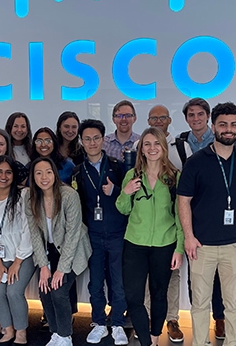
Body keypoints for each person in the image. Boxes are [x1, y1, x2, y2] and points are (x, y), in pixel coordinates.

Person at [177, 102, 236, 346]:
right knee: (200, 304)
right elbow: (183, 200)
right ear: (213, 126)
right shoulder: (196, 161)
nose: (228, 129)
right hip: (201, 244)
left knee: (235, 304)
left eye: (234, 124)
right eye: (223, 124)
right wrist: (189, 236)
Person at [117, 127, 184, 346]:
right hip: (135, 244)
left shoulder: (174, 177)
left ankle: (154, 339)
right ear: (141, 149)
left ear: (164, 147)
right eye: (147, 144)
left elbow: (181, 216)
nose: (152, 148)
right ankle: (146, 342)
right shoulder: (132, 175)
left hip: (164, 245)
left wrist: (179, 248)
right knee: (134, 298)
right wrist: (126, 193)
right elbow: (123, 209)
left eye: (157, 143)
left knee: (158, 295)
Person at [136, 105, 192, 343]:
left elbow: (185, 193)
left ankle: (171, 318)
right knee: (149, 277)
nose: (158, 121)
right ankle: (149, 317)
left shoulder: (182, 147)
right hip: (145, 232)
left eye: (162, 117)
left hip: (173, 225)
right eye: (153, 118)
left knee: (172, 274)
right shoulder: (139, 151)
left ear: (169, 121)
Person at [25, 157, 93, 346]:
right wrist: (44, 266)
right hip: (49, 251)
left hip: (73, 250)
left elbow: (72, 235)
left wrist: (61, 269)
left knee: (59, 291)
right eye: (38, 173)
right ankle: (56, 333)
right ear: (33, 177)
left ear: (55, 174)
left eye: (48, 172)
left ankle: (65, 336)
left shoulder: (69, 195)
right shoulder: (30, 198)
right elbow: (35, 235)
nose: (44, 177)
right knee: (44, 290)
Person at [72, 119, 128, 345]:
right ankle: (98, 322)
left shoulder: (117, 166)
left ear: (103, 139)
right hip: (92, 235)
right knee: (95, 282)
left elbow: (128, 198)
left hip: (117, 233)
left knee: (118, 281)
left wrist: (114, 191)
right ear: (81, 141)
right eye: (87, 139)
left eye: (96, 138)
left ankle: (117, 323)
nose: (92, 142)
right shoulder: (77, 171)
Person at [178, 97, 226, 341]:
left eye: (200, 114)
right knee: (196, 275)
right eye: (191, 115)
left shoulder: (222, 140)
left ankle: (220, 318)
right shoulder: (179, 143)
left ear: (208, 117)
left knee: (219, 275)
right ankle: (199, 323)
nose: (195, 118)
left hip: (219, 215)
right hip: (191, 214)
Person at [0, 156, 35, 345]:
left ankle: (21, 331)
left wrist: (17, 262)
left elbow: (29, 229)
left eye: (8, 172)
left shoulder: (23, 195)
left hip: (24, 254)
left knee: (13, 292)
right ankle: (8, 329)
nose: (3, 176)